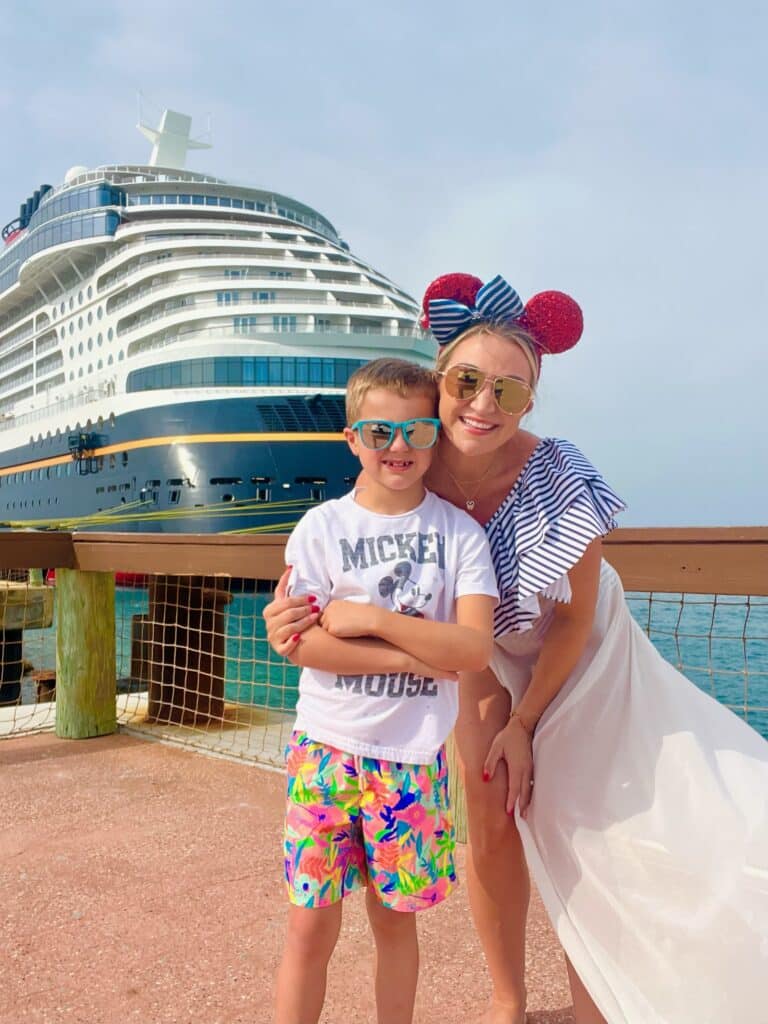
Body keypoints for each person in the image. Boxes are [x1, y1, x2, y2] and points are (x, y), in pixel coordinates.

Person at [267, 273, 768, 1024]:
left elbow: (574, 619)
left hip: (582, 655)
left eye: (509, 390)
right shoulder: (415, 458)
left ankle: (601, 997)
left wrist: (525, 722)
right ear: (439, 381)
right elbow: (357, 557)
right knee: (490, 810)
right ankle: (509, 998)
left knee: (584, 819)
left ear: (529, 402)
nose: (483, 404)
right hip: (481, 651)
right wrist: (290, 616)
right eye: (467, 381)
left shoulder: (558, 474)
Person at [274, 357, 499, 1024]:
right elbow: (303, 644)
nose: (398, 446)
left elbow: (474, 649)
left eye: (416, 431)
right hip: (324, 750)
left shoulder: (460, 535)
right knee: (308, 925)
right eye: (379, 432)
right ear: (353, 439)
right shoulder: (321, 528)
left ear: (436, 436)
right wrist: (421, 657)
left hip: (413, 757)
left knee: (395, 922)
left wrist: (372, 621)